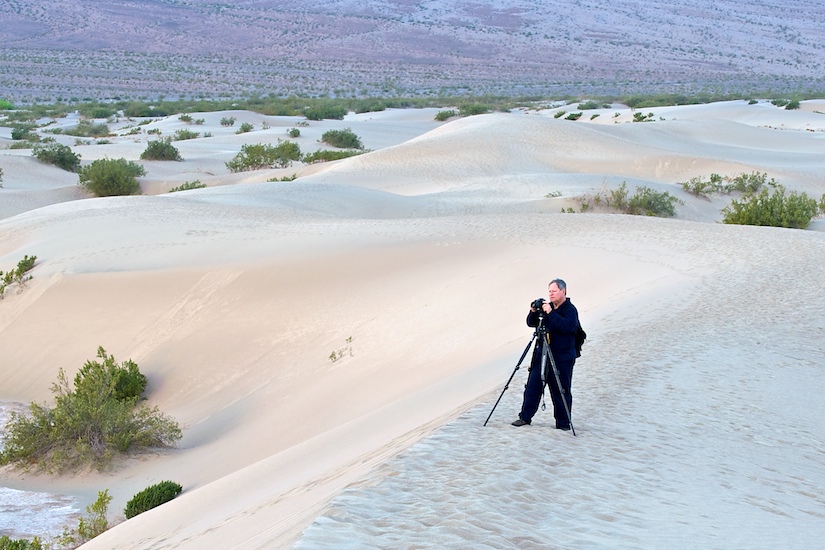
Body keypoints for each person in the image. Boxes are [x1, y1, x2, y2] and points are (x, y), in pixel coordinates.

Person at [512, 278, 579, 430]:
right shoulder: (548, 308)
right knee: (532, 387)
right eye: (549, 291)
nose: (551, 294)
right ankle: (524, 417)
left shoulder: (570, 309)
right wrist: (533, 311)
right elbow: (531, 323)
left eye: (554, 291)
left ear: (563, 291)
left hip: (562, 357)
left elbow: (568, 326)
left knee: (560, 390)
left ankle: (563, 423)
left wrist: (551, 313)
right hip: (542, 355)